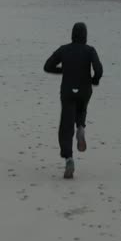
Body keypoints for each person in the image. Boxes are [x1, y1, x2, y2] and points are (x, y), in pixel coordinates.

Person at [43, 21, 103, 179]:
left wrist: (64, 69)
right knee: (82, 107)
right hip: (84, 90)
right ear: (85, 35)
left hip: (68, 91)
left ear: (72, 34)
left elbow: (47, 66)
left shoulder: (64, 49)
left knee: (66, 126)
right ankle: (81, 127)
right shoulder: (90, 50)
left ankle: (69, 158)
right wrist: (95, 80)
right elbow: (99, 69)